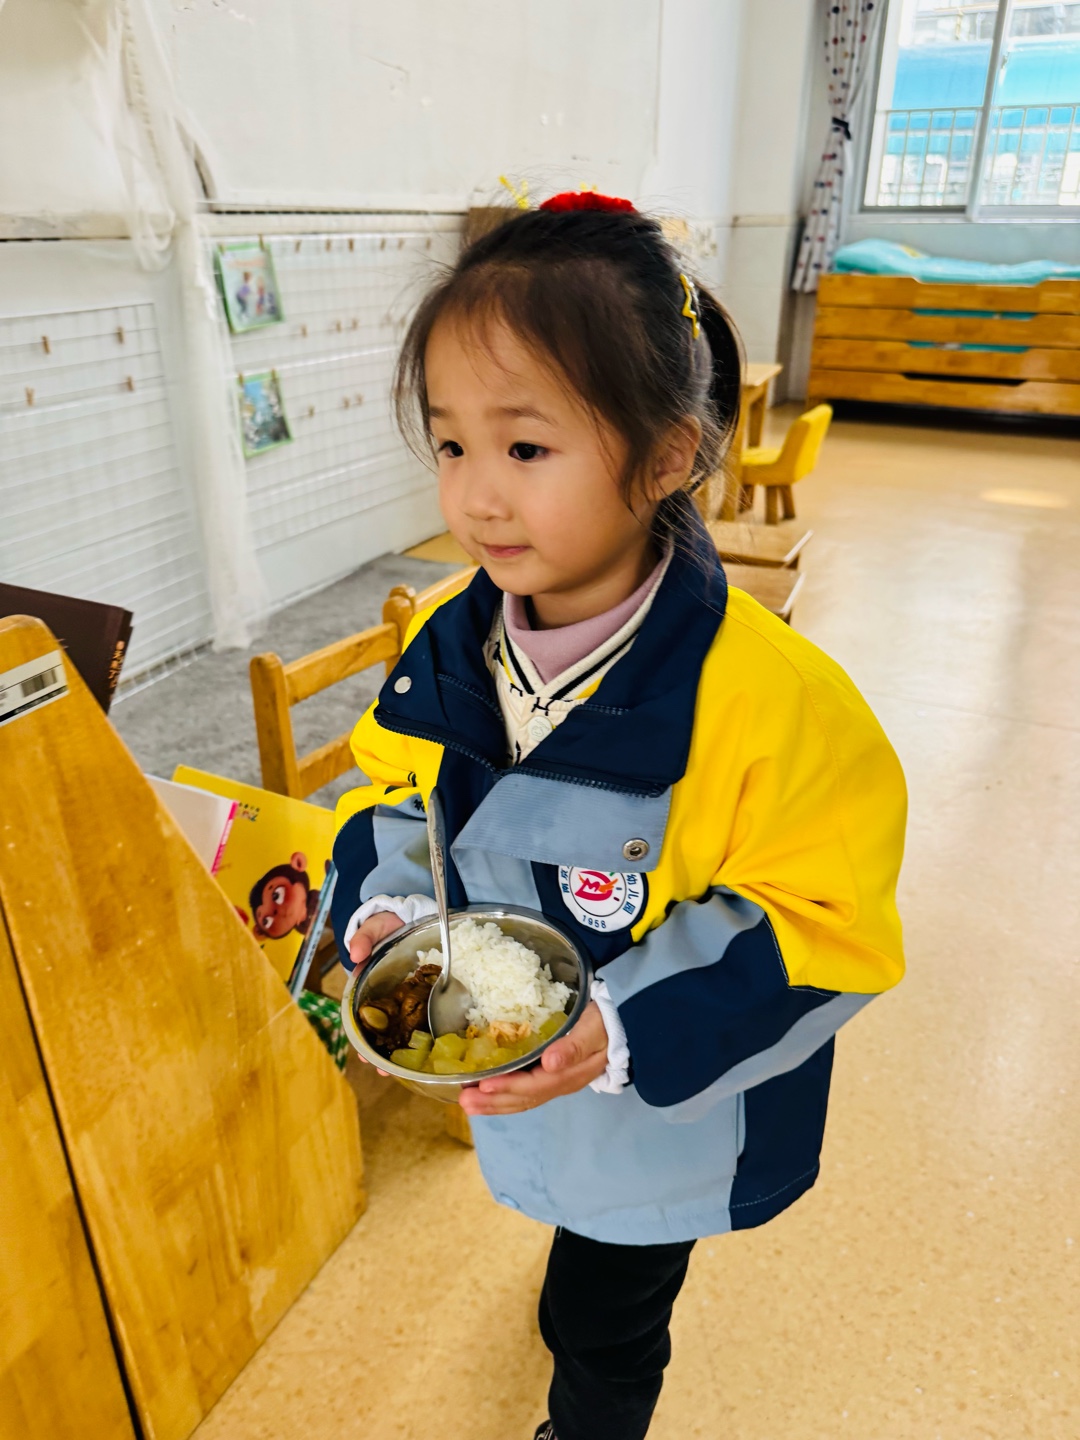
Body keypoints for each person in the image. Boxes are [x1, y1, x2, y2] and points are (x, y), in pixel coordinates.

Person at [330, 192, 907, 1440]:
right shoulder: (450, 648)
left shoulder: (777, 704)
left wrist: (620, 1023)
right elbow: (390, 790)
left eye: (526, 449)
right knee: (565, 1235)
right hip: (530, 1091)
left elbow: (830, 924)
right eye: (451, 445)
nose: (477, 498)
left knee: (604, 1318)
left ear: (664, 457)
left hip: (667, 1108)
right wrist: (391, 908)